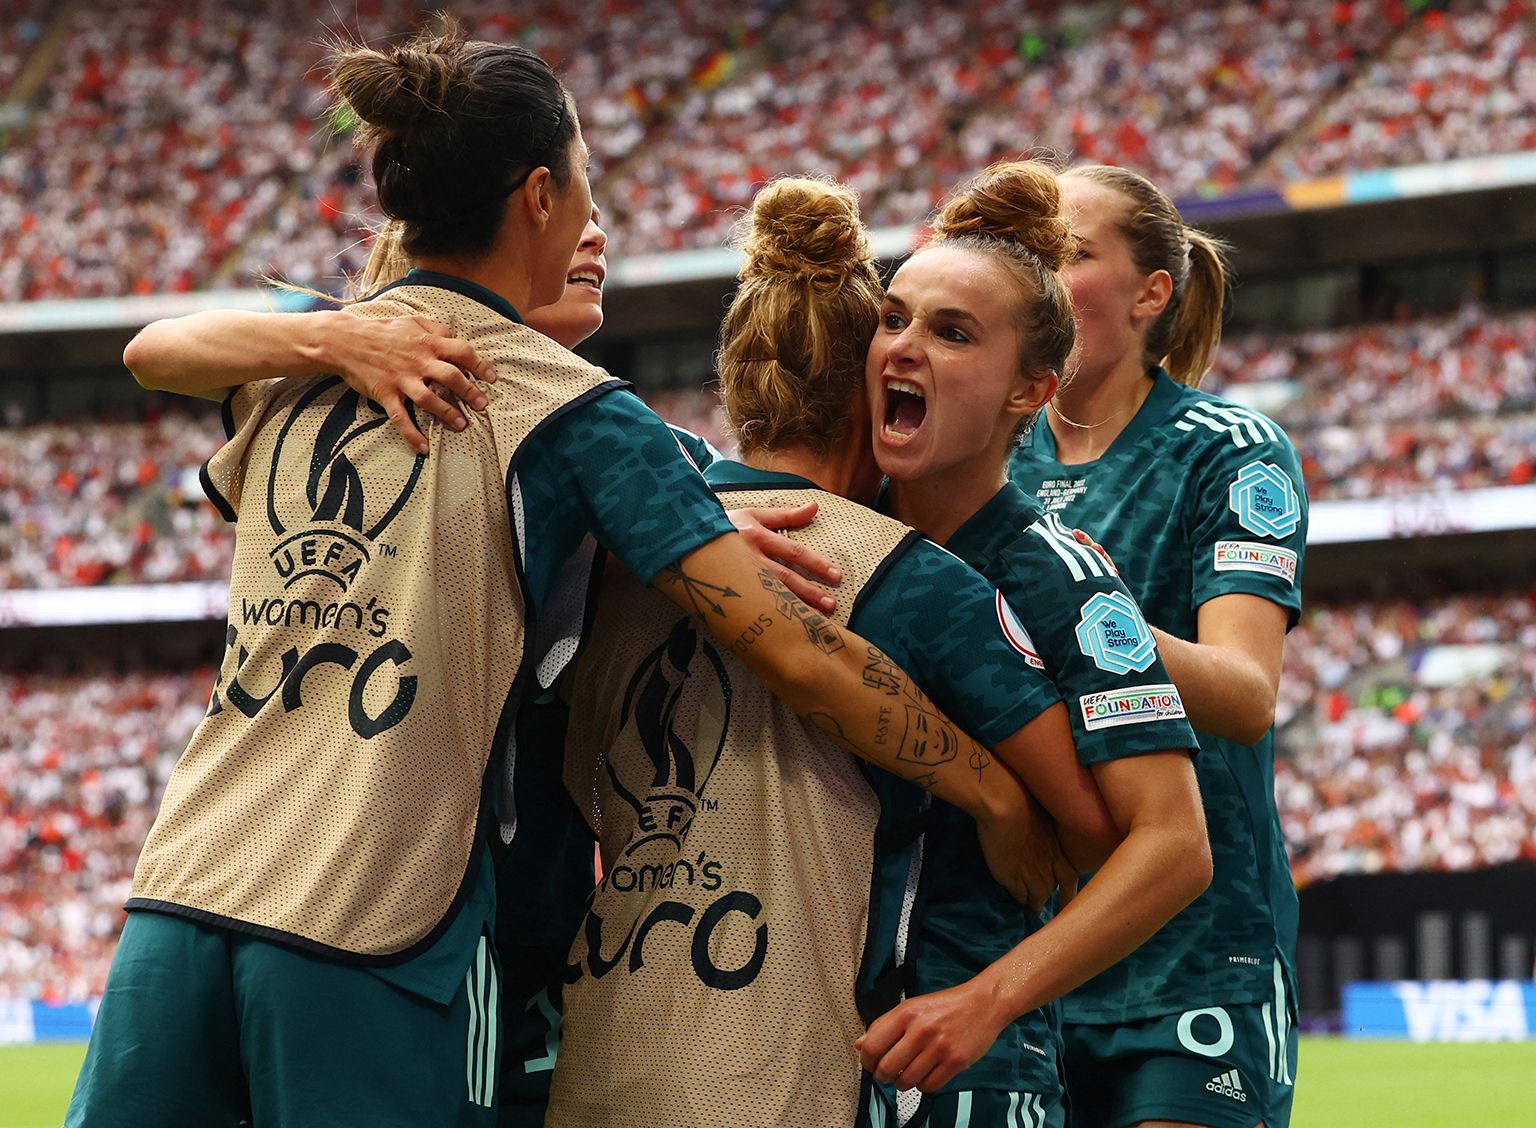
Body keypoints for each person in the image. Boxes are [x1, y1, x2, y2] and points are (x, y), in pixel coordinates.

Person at [67, 22, 1022, 1128]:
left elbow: (157, 351)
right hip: (371, 906)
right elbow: (794, 652)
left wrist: (330, 338)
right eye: (583, 179)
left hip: (182, 884)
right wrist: (987, 785)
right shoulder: (575, 412)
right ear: (536, 194)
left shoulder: (303, 370)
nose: (590, 214)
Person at [537, 176, 1117, 1128]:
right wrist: (1003, 800)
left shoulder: (619, 547)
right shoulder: (910, 576)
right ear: (867, 382)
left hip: (602, 1043)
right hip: (783, 1063)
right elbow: (1089, 835)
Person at [851, 161, 1213, 1127]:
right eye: (893, 319)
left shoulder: (1062, 574)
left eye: (952, 332)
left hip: (971, 1075)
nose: (905, 347)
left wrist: (989, 1000)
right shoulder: (824, 527)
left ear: (1031, 389)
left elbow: (1175, 848)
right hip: (795, 1057)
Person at [1003, 164, 1308, 1128]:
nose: (1044, 276)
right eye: (1033, 255)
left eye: (1073, 254)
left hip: (1196, 960)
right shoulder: (988, 456)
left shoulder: (1228, 448)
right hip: (1027, 952)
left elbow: (1248, 691)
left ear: (1151, 293)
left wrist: (1074, 615)